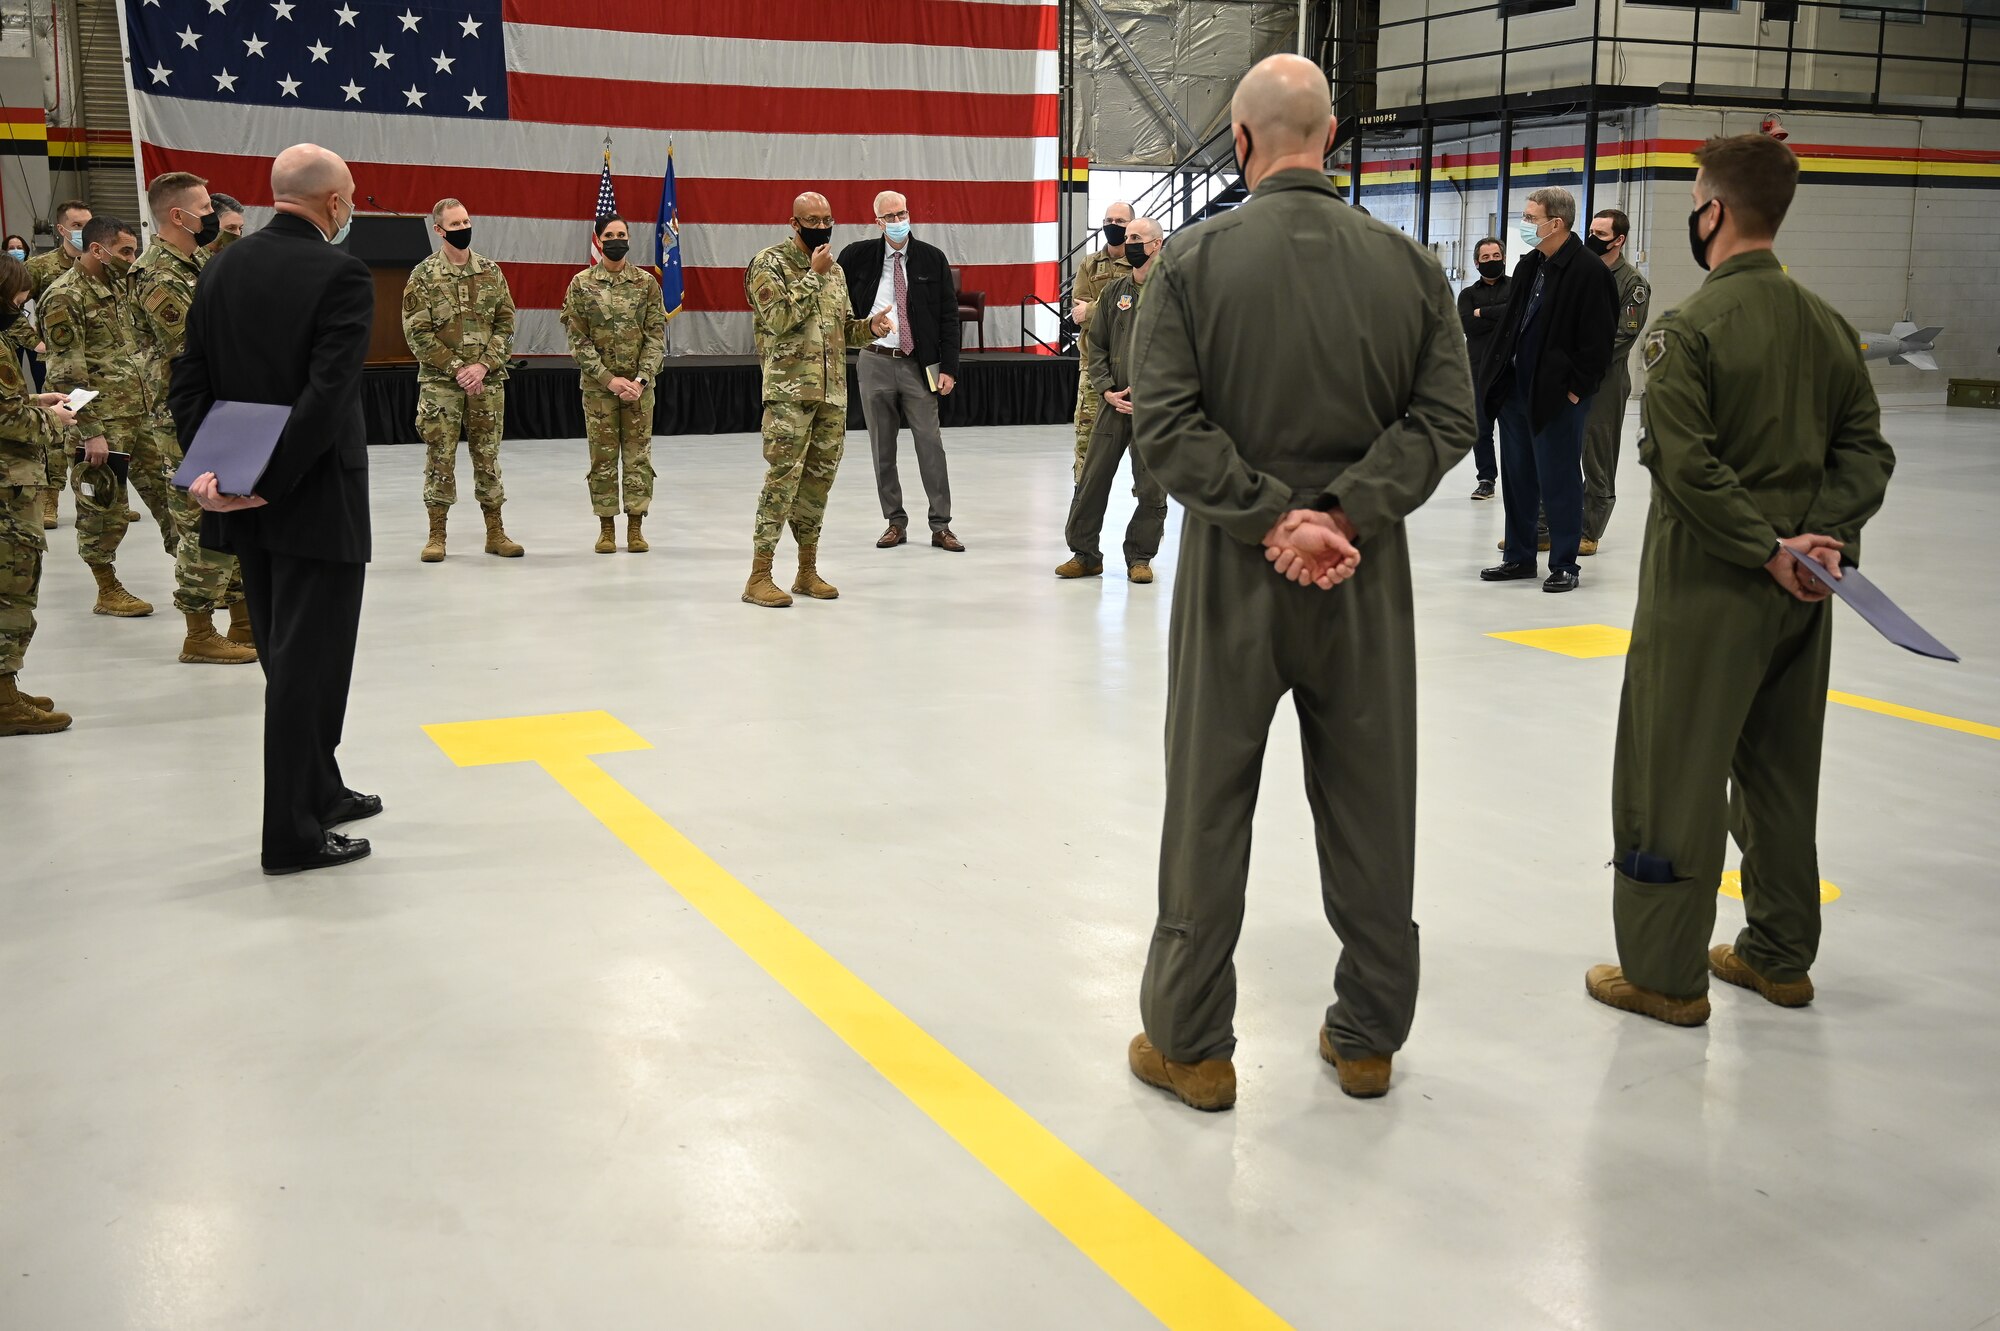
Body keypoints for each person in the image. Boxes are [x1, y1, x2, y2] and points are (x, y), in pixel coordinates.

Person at [1124, 54, 1475, 1112]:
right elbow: (1446, 419)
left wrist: (1273, 515)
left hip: (1236, 575)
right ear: (1329, 139)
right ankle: (1366, 1034)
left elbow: (1167, 430)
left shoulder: (1187, 264)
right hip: (1362, 581)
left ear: (1238, 141)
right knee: (1372, 803)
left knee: (1207, 801)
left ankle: (1192, 1043)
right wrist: (1344, 513)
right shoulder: (1410, 267)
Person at [1586, 134, 1895, 1026]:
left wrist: (1764, 544)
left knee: (1669, 772)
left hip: (1707, 591)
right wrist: (1822, 540)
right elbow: (1865, 450)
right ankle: (1779, 953)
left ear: (1712, 211)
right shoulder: (1830, 326)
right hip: (1805, 595)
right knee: (1781, 773)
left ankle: (1662, 972)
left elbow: (1686, 465)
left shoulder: (1687, 331)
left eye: (1693, 197)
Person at [174, 142, 380, 877]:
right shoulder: (342, 274)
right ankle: (292, 834)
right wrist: (273, 477)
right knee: (309, 668)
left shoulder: (221, 266)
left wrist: (214, 472)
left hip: (241, 498)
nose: (352, 205)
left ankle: (320, 790)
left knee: (286, 659)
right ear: (332, 203)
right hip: (312, 498)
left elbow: (189, 378)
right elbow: (326, 398)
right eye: (351, 194)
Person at [740, 191, 894, 608]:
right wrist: (811, 274)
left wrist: (870, 328)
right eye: (812, 220)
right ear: (795, 225)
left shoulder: (836, 272)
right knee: (782, 483)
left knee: (817, 486)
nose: (822, 226)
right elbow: (779, 320)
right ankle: (759, 575)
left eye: (827, 218)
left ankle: (806, 570)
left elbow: (842, 329)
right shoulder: (768, 264)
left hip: (831, 395)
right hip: (790, 396)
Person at [132, 170, 257, 665]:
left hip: (220, 410)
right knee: (202, 520)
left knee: (236, 508)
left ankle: (245, 619)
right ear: (177, 215)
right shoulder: (159, 276)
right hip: (184, 418)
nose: (212, 218)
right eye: (204, 210)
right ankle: (199, 631)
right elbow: (190, 349)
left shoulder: (195, 265)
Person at [1476, 187, 1615, 593]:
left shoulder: (1589, 272)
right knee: (1517, 478)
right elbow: (1514, 323)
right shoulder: (1530, 265)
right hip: (1517, 391)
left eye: (1531, 217)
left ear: (1556, 223)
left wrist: (1576, 391)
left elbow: (1598, 342)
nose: (1525, 223)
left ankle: (1564, 563)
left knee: (1559, 479)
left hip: (1558, 396)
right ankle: (1518, 557)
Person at [41, 216, 156, 618]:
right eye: (125, 250)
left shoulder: (122, 287)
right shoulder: (64, 297)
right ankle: (107, 588)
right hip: (102, 424)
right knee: (103, 510)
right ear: (97, 250)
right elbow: (64, 374)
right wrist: (90, 433)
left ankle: (208, 586)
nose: (132, 257)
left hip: (143, 416)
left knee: (176, 498)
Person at [838, 190, 964, 553]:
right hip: (874, 359)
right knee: (882, 446)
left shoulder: (931, 258)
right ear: (877, 221)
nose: (897, 221)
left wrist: (950, 368)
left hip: (918, 363)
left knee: (931, 443)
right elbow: (838, 305)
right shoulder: (856, 257)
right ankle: (894, 521)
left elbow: (948, 318)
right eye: (889, 216)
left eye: (902, 213)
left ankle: (941, 525)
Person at [404, 197, 521, 562]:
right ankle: (437, 534)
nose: (463, 229)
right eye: (454, 225)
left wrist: (483, 366)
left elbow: (506, 323)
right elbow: (417, 332)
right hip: (442, 384)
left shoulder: (490, 271)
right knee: (440, 458)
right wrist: (458, 368)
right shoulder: (423, 276)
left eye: (466, 221)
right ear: (439, 230)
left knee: (488, 456)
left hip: (486, 381)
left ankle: (495, 531)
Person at [1056, 216, 1169, 585]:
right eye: (1128, 236)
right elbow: (1097, 344)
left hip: (1156, 409)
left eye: (1137, 237)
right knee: (1091, 480)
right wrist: (1105, 388)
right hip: (1112, 402)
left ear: (1157, 244)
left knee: (1151, 487)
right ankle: (1085, 554)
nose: (1128, 241)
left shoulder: (1177, 293)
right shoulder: (1114, 291)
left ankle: (1140, 557)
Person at [0, 255, 82, 735]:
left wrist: (34, 399)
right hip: (8, 487)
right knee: (11, 588)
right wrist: (55, 418)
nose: (22, 302)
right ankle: (5, 701)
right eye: (17, 294)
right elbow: (6, 420)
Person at [560, 214, 666, 555]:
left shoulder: (646, 283)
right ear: (599, 239)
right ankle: (606, 528)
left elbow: (655, 336)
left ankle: (636, 526)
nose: (617, 239)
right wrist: (609, 380)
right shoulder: (581, 284)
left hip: (639, 389)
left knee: (638, 457)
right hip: (599, 390)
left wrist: (640, 379)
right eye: (610, 234)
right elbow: (578, 340)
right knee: (602, 458)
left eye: (622, 234)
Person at [1577, 207, 1650, 554]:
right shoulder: (1579, 271)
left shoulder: (1631, 283)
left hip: (1604, 379)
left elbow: (1623, 336)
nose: (1592, 238)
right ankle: (1545, 525)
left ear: (1619, 240)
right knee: (1557, 451)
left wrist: (1582, 361)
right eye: (1591, 230)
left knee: (1597, 452)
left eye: (1601, 234)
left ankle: (1590, 529)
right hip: (1568, 375)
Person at [20, 200, 91, 525]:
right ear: (62, 229)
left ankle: (104, 499)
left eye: (87, 224)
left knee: (103, 435)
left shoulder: (99, 262)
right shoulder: (41, 267)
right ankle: (51, 501)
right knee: (58, 435)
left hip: (98, 365)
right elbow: (9, 303)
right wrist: (34, 339)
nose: (83, 231)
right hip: (60, 367)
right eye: (77, 225)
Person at [1068, 202, 1133, 483]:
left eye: (1120, 220)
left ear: (1132, 225)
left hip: (1134, 366)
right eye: (1108, 219)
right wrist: (1114, 308)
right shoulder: (1089, 263)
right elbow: (1078, 313)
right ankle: (1082, 506)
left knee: (1145, 447)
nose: (1113, 225)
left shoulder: (1142, 264)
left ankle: (1149, 512)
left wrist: (1096, 309)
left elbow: (1143, 308)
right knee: (1086, 442)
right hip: (1094, 364)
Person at [1457, 237, 1509, 501]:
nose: (1492, 261)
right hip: (1479, 372)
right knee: (1481, 430)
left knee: (1515, 430)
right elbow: (1468, 326)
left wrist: (1482, 313)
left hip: (1512, 371)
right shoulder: (1467, 295)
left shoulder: (1517, 286)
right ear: (1477, 262)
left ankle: (1516, 478)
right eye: (1486, 258)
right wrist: (1500, 316)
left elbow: (1517, 315)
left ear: (1504, 257)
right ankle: (1486, 479)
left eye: (1495, 256)